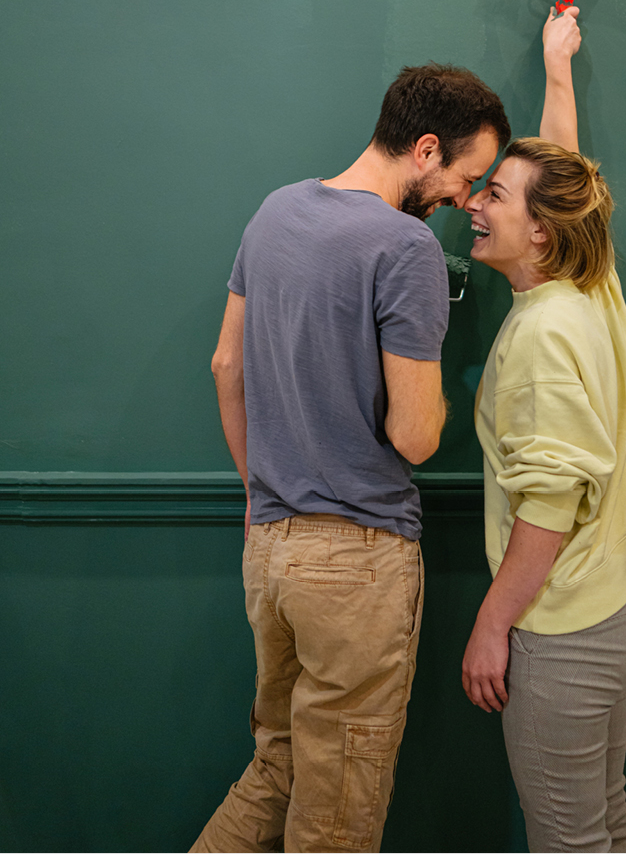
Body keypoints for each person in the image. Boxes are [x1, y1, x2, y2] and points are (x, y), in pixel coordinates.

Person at [191, 63, 509, 854]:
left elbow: (226, 366)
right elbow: (415, 436)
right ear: (426, 148)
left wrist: (259, 491)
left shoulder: (274, 211)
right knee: (335, 820)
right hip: (358, 563)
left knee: (275, 772)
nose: (464, 198)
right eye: (466, 176)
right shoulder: (406, 247)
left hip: (271, 549)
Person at [461, 8, 626, 853]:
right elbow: (560, 169)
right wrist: (558, 67)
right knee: (606, 822)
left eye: (492, 195)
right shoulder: (589, 284)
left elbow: (548, 506)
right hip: (618, 597)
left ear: (539, 229)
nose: (473, 202)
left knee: (571, 841)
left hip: (564, 626)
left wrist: (490, 623)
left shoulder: (542, 335)